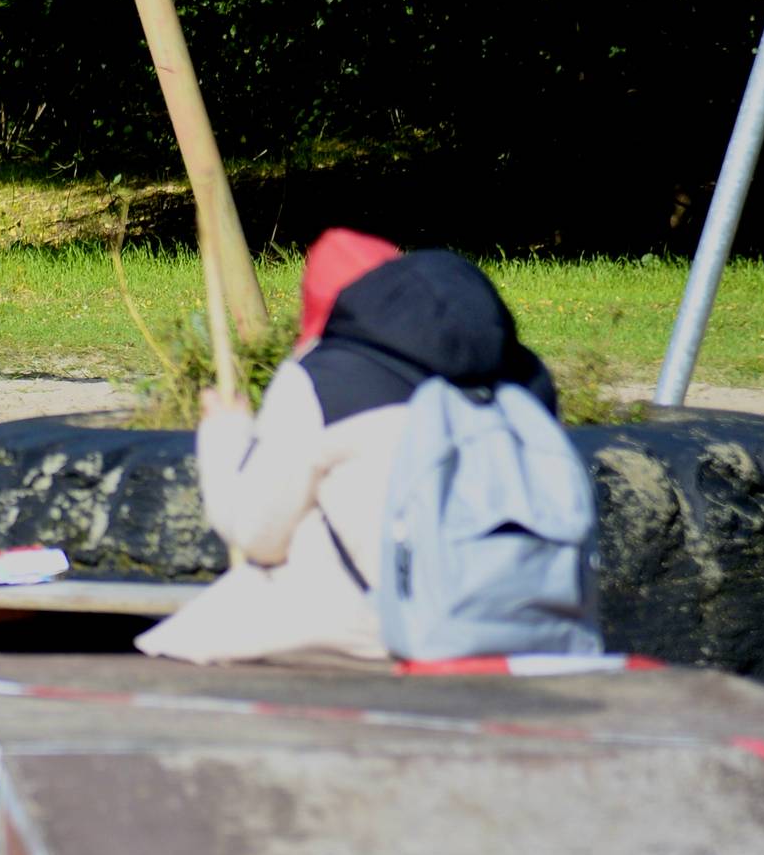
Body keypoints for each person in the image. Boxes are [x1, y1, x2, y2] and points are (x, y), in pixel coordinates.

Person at [135, 241, 555, 666]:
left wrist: (226, 435)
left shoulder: (324, 379)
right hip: (532, 622)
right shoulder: (525, 378)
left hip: (377, 633)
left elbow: (258, 536)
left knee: (183, 642)